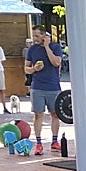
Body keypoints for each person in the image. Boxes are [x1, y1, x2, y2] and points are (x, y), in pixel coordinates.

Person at [25, 26, 64, 156]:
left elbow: (56, 63)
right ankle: (39, 143)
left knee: (55, 114)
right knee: (38, 114)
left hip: (53, 86)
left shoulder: (55, 47)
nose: (34, 39)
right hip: (37, 86)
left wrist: (47, 47)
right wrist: (34, 69)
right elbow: (26, 68)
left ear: (44, 35)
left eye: (37, 36)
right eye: (33, 36)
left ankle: (54, 140)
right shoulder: (32, 49)